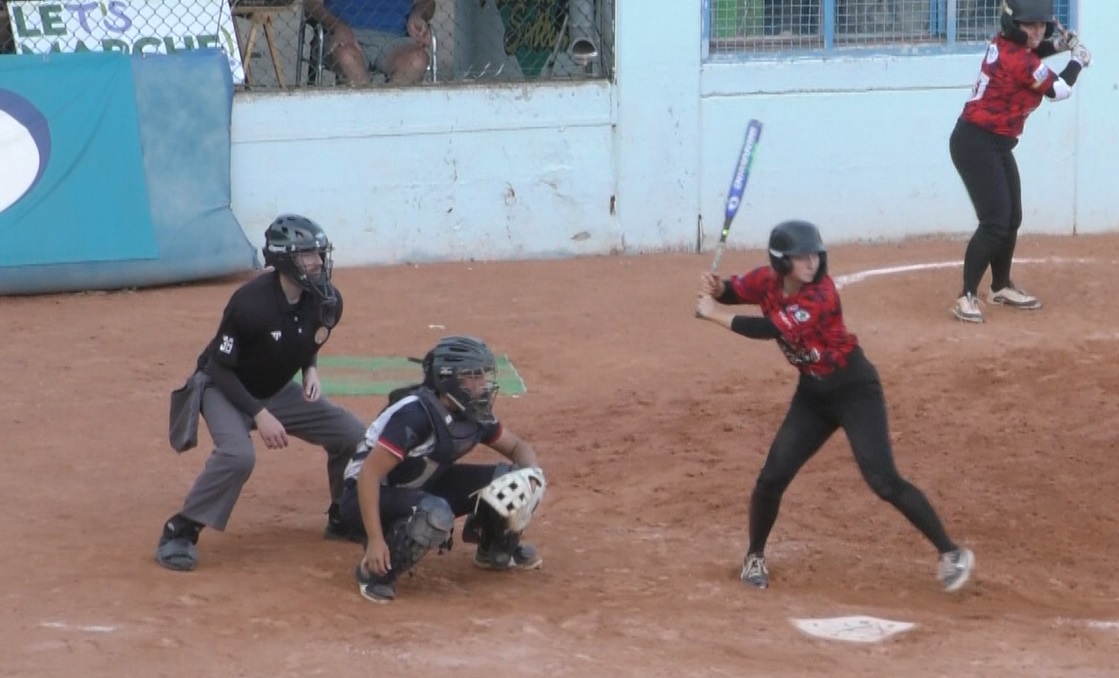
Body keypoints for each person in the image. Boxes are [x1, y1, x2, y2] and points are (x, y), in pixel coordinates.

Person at [694, 220, 975, 592]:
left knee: (883, 481)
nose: (812, 263)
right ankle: (754, 557)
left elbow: (768, 329)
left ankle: (951, 553)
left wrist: (713, 313)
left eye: (815, 255)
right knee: (771, 478)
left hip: (855, 390)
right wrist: (721, 289)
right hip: (813, 396)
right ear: (781, 263)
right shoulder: (766, 280)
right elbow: (737, 290)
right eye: (801, 257)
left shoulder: (820, 296)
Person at [155, 214, 367, 572]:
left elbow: (308, 338)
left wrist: (310, 369)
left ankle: (342, 514)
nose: (318, 261)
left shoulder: (326, 300)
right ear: (284, 259)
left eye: (319, 253)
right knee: (238, 455)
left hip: (273, 388)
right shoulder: (249, 303)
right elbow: (220, 367)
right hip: (223, 387)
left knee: (353, 434)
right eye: (307, 255)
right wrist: (259, 413)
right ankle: (182, 529)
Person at [336, 335, 546, 603]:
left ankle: (494, 548)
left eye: (484, 375)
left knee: (513, 480)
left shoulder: (473, 412)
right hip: (368, 496)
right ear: (449, 379)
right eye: (474, 375)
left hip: (423, 484)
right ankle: (375, 573)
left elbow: (518, 447)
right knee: (434, 513)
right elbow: (369, 475)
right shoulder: (415, 414)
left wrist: (533, 476)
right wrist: (376, 539)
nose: (483, 383)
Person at [949, 0, 1091, 323]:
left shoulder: (1007, 47)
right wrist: (1078, 61)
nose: (1037, 32)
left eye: (1041, 26)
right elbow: (1058, 90)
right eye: (1030, 26)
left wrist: (1056, 44)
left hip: (995, 144)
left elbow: (1033, 57)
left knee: (1012, 216)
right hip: (976, 143)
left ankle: (1000, 287)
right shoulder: (1018, 61)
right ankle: (966, 295)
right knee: (995, 221)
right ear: (1014, 26)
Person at [304, 0, 434, 85]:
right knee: (347, 56)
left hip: (396, 37)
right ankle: (363, 113)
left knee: (418, 60)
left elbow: (427, 3)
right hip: (346, 33)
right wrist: (338, 27)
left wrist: (417, 15)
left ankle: (389, 112)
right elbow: (310, 5)